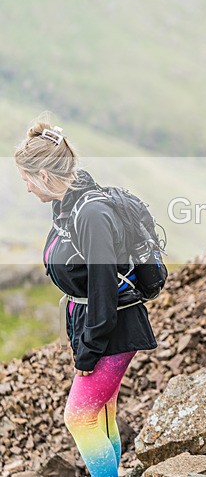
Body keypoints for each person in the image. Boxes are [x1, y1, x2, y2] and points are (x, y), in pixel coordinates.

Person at [15, 117, 157, 477]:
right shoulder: (67, 204)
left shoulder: (90, 213)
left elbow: (103, 288)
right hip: (98, 324)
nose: (27, 188)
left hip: (113, 328)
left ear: (44, 176)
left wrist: (89, 348)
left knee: (78, 417)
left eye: (27, 179)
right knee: (101, 413)